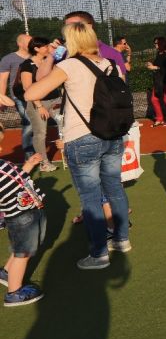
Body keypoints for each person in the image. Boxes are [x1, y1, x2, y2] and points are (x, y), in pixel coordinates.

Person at [25, 22, 131, 269]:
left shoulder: (69, 65)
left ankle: (99, 254)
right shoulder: (111, 64)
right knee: (115, 189)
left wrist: (50, 57)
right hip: (112, 135)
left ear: (70, 41)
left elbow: (31, 93)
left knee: (91, 198)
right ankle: (121, 239)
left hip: (81, 137)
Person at [0, 123, 46, 306]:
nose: (1, 148)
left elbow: (18, 178)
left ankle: (6, 272)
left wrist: (29, 165)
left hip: (26, 212)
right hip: (20, 215)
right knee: (23, 253)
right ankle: (14, 292)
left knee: (21, 247)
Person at [18, 37, 60, 172]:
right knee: (40, 133)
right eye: (45, 46)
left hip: (56, 100)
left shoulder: (51, 61)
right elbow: (27, 87)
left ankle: (70, 155)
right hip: (38, 103)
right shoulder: (27, 65)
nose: (48, 48)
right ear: (36, 49)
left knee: (65, 126)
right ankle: (44, 163)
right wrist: (40, 106)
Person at [0, 34, 34, 159]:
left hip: (37, 95)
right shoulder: (8, 59)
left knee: (39, 124)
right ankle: (29, 154)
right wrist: (1, 99)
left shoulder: (37, 56)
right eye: (29, 42)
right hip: (19, 97)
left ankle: (39, 152)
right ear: (20, 43)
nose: (32, 44)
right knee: (29, 122)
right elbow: (3, 80)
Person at [146, 36, 166, 126]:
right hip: (158, 81)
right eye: (154, 43)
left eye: (156, 43)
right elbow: (158, 65)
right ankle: (159, 118)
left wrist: (155, 67)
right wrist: (151, 64)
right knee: (154, 99)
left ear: (161, 44)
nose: (155, 45)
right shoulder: (158, 54)